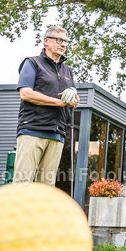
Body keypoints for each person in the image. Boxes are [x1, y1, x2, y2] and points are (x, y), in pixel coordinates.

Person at [13, 25, 79, 186]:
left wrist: (74, 99)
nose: (63, 44)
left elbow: (74, 99)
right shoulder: (32, 63)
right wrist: (59, 102)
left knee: (46, 188)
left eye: (65, 41)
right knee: (22, 183)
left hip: (57, 134)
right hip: (32, 130)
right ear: (46, 41)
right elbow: (25, 93)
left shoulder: (68, 71)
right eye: (59, 40)